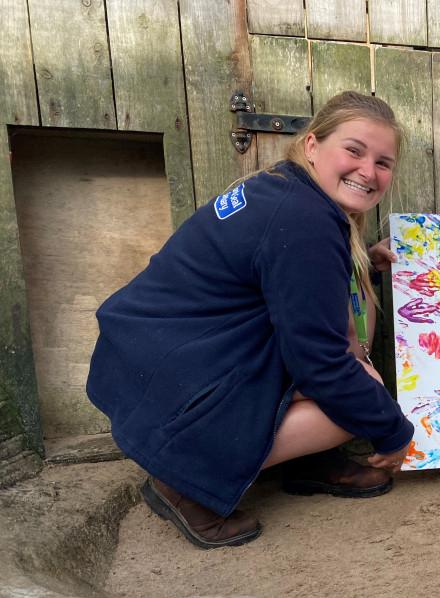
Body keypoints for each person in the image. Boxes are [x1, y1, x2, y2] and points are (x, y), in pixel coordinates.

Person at [87, 91, 415, 548]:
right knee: (359, 396)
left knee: (349, 357)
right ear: (312, 146)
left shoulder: (285, 189)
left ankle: (300, 462)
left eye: (384, 162)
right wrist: (394, 431)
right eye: (354, 150)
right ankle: (184, 476)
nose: (368, 170)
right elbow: (319, 362)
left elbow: (297, 289)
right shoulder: (307, 221)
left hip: (162, 356)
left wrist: (360, 264)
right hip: (178, 378)